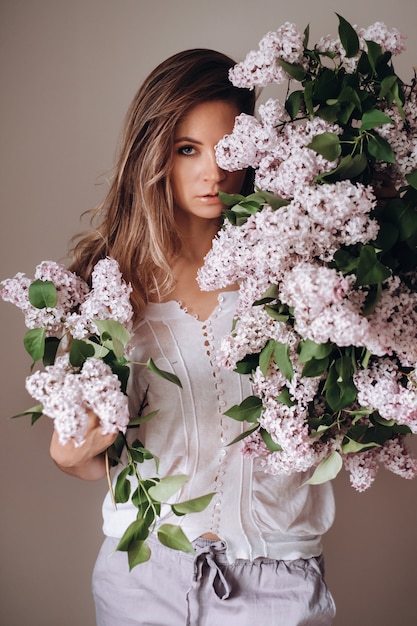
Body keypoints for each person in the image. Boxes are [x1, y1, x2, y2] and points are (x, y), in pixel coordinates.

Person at [49, 48, 336, 626]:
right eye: (188, 149)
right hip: (143, 575)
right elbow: (104, 459)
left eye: (229, 148)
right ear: (153, 155)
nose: (214, 171)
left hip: (276, 575)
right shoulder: (106, 286)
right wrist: (70, 455)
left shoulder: (297, 270)